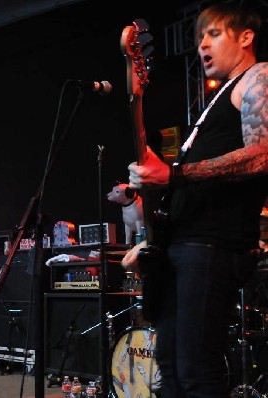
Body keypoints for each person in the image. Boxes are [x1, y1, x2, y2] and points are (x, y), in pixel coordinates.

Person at [121, 3, 268, 397]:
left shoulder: (258, 77)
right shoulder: (212, 105)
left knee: (196, 372)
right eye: (200, 36)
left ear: (246, 37)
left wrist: (174, 174)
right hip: (182, 246)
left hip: (212, 245)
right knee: (169, 369)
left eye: (214, 34)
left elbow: (262, 154)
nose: (202, 43)